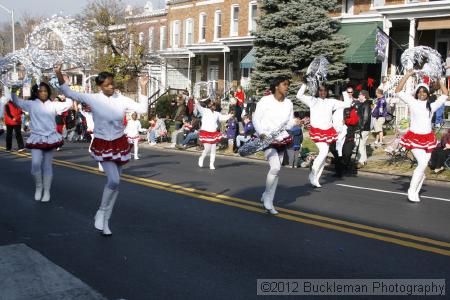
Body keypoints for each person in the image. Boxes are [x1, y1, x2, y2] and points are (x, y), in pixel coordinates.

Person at [55, 64, 149, 235]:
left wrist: (143, 87)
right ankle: (101, 211)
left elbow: (143, 109)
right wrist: (58, 74)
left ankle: (105, 221)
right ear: (100, 86)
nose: (111, 87)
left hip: (119, 143)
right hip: (103, 143)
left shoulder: (121, 99)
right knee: (114, 181)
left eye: (112, 83)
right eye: (107, 85)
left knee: (116, 185)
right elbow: (69, 93)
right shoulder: (93, 98)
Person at [11, 82, 73, 202]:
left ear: (48, 92)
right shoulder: (31, 104)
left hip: (50, 137)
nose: (43, 93)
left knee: (47, 165)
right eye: (40, 91)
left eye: (45, 91)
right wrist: (14, 90)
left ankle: (47, 191)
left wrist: (66, 89)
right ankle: (39, 187)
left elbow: (69, 103)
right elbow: (16, 101)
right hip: (36, 137)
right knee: (35, 164)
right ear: (36, 92)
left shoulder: (54, 105)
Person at [394, 70, 448, 202]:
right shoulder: (412, 102)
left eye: (424, 91)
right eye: (420, 91)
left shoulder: (432, 106)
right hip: (414, 138)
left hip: (428, 139)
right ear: (417, 93)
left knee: (423, 165)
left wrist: (439, 80)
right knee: (423, 163)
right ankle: (412, 190)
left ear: (428, 94)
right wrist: (407, 75)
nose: (422, 93)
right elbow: (398, 90)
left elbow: (446, 94)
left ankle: (419, 180)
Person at [253, 76, 296, 215]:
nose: (287, 87)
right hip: (267, 138)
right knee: (275, 167)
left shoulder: (289, 103)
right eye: (284, 84)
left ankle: (267, 196)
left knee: (276, 170)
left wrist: (295, 122)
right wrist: (261, 133)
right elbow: (256, 118)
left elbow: (289, 123)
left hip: (282, 138)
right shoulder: (265, 100)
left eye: (287, 85)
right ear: (277, 86)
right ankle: (268, 200)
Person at [296, 83, 352, 187]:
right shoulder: (313, 100)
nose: (323, 93)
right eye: (321, 90)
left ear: (327, 92)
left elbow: (347, 104)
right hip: (317, 131)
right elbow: (299, 95)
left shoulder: (331, 102)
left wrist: (344, 91)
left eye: (325, 91)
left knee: (324, 154)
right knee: (324, 151)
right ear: (318, 91)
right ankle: (313, 174)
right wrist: (305, 84)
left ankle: (315, 178)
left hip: (328, 132)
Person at [196, 98, 231, 170]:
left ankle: (211, 164)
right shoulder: (204, 111)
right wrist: (196, 100)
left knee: (213, 149)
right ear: (209, 106)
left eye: (215, 106)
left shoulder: (217, 114)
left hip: (213, 133)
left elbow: (223, 118)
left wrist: (230, 115)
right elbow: (198, 106)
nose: (213, 107)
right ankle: (201, 158)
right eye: (212, 105)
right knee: (207, 148)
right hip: (206, 132)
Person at [355, 90, 372, 168]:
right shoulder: (363, 104)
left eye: (359, 94)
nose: (358, 96)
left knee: (361, 144)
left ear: (364, 95)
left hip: (364, 128)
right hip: (361, 127)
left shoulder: (366, 104)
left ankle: (361, 161)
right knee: (360, 144)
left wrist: (361, 127)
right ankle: (362, 160)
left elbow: (365, 117)